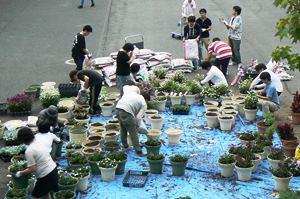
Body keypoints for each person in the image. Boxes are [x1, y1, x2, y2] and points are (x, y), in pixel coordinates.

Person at [16, 127, 58, 199]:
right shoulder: (39, 142)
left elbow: (32, 169)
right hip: (54, 170)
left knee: (35, 196)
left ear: (23, 140)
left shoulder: (29, 151)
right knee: (45, 192)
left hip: (45, 176)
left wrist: (20, 173)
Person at [116, 85, 147, 156]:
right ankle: (138, 151)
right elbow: (138, 118)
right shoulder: (143, 104)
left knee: (123, 127)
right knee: (133, 131)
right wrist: (137, 126)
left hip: (118, 108)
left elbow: (124, 87)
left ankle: (125, 146)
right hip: (126, 111)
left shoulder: (130, 93)